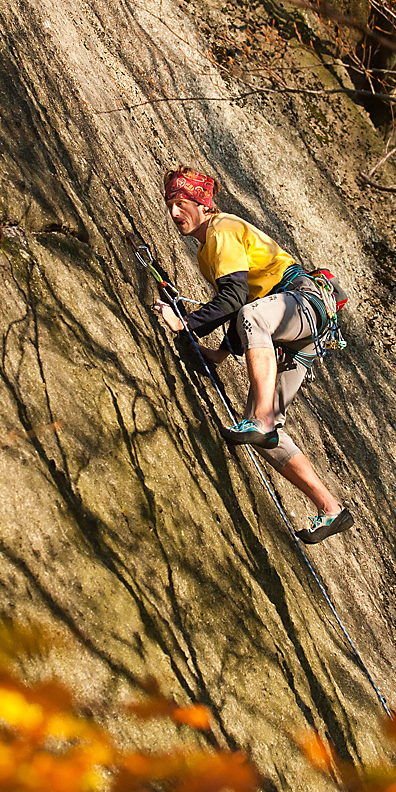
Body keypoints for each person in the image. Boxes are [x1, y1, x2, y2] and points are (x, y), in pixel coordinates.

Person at [152, 166, 353, 546]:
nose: (175, 213)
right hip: (298, 331)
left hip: (301, 304)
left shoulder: (221, 230)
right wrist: (220, 354)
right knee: (265, 433)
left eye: (182, 203)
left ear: (202, 203)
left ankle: (260, 419)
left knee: (256, 413)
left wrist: (184, 323)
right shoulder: (208, 246)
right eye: (170, 205)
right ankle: (331, 509)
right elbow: (243, 303)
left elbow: (236, 303)